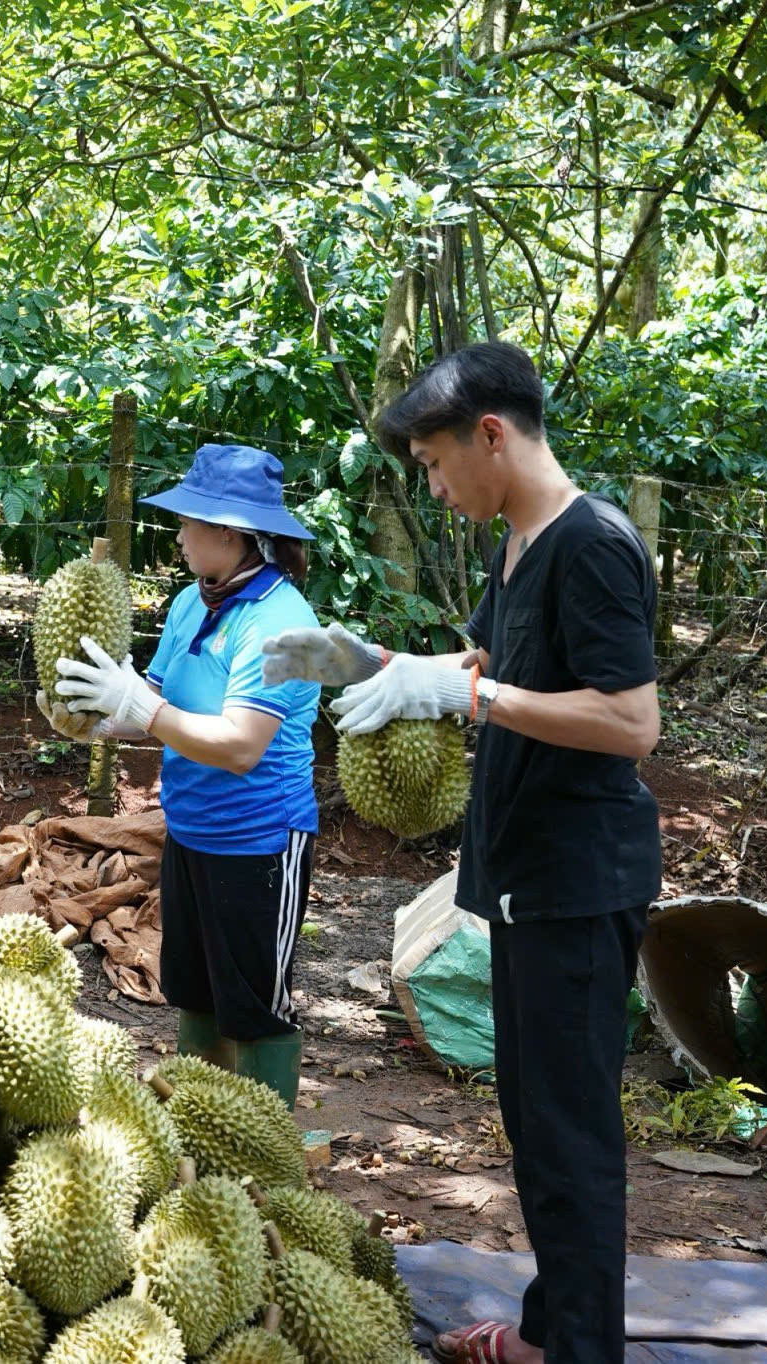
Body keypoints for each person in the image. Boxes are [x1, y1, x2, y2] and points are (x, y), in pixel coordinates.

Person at [262, 342, 660, 1364]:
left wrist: (467, 695)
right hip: (526, 878)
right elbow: (485, 659)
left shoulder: (593, 543)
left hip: (580, 881)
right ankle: (550, 1329)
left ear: (490, 434)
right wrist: (374, 662)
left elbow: (627, 721)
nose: (433, 487)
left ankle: (581, 1351)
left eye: (435, 464)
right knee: (536, 1130)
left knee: (572, 1142)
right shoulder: (515, 544)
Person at [41, 444, 322, 1104]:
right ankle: (205, 1124)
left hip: (261, 841)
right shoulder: (191, 605)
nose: (179, 534)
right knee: (194, 990)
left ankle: (267, 1153)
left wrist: (143, 702)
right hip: (191, 830)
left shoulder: (284, 626)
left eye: (189, 521)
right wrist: (97, 720)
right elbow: (156, 708)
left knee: (256, 1004)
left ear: (229, 532)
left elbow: (240, 747)